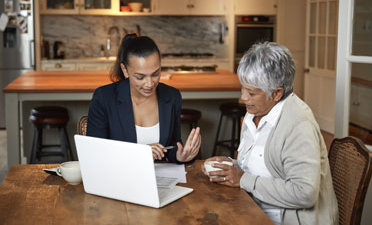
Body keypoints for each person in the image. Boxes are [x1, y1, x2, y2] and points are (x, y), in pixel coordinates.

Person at [201, 42, 338, 224]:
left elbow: (304, 193)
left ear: (276, 93)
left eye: (251, 92)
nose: (243, 97)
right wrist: (226, 167)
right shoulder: (255, 113)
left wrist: (242, 180)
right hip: (250, 209)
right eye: (242, 88)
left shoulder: (298, 124)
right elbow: (258, 167)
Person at [87, 34, 201, 163]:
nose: (149, 84)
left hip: (160, 179)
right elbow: (95, 153)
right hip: (118, 178)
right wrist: (140, 153)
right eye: (140, 77)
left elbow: (172, 146)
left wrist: (180, 156)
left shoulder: (171, 96)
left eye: (155, 74)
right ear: (125, 70)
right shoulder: (104, 97)